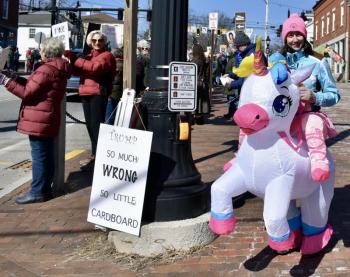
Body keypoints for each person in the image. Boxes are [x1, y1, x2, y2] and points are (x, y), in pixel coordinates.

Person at [0, 38, 71, 204]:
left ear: (46, 51)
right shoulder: (58, 67)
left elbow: (27, 93)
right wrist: (14, 77)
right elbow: (36, 86)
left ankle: (37, 191)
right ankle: (45, 189)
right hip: (48, 117)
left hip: (39, 118)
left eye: (41, 50)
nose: (40, 52)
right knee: (46, 155)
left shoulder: (46, 68)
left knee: (39, 156)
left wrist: (6, 82)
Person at [272, 13, 340, 181]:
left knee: (312, 124)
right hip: (283, 120)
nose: (295, 39)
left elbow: (334, 94)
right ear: (285, 38)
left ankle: (319, 164)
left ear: (304, 36)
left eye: (298, 34)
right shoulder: (276, 63)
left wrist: (314, 97)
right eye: (290, 35)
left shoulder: (318, 62)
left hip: (308, 118)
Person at [65, 31, 116, 171]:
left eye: (100, 40)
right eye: (94, 40)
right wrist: (70, 60)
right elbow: (77, 71)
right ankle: (95, 154)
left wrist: (76, 59)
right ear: (90, 42)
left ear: (105, 42)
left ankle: (100, 157)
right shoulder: (87, 57)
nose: (97, 43)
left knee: (96, 127)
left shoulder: (108, 56)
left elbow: (95, 68)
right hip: (85, 93)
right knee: (90, 126)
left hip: (98, 94)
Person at [223, 31, 256, 119]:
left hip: (252, 91)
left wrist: (232, 84)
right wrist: (230, 75)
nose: (237, 49)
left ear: (242, 45)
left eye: (237, 47)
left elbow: (246, 78)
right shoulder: (248, 54)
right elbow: (242, 71)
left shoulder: (251, 56)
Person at [192, 44, 210, 124]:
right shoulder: (204, 60)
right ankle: (200, 119)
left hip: (195, 81)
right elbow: (207, 73)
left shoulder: (194, 61)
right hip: (203, 82)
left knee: (194, 101)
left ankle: (193, 118)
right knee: (201, 101)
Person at [105, 47, 123, 125]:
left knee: (109, 117)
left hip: (112, 94)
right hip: (118, 93)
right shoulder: (124, 64)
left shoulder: (115, 65)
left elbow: (113, 81)